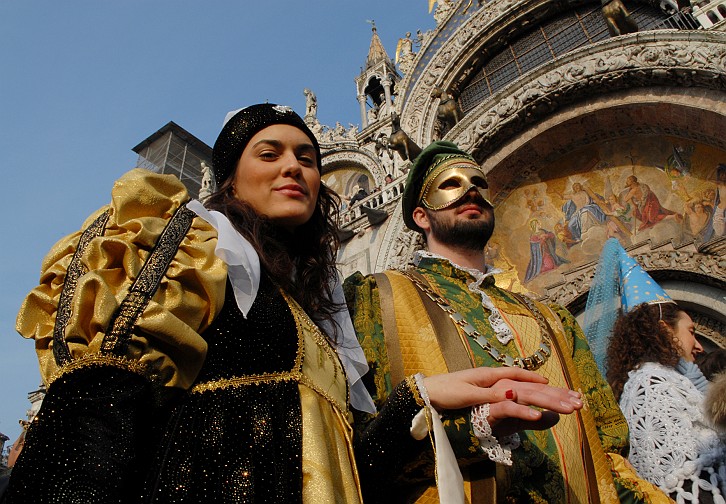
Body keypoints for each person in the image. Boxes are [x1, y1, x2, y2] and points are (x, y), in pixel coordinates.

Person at [4, 104, 578, 504]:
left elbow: (342, 473)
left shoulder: (315, 317)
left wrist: (420, 400)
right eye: (269, 153)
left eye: (307, 158)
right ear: (230, 178)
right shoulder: (184, 250)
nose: (292, 168)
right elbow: (91, 413)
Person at [345, 141, 668, 503]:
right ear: (421, 216)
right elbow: (362, 449)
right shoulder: (378, 299)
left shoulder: (553, 319)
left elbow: (606, 449)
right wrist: (473, 430)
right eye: (451, 184)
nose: (471, 191)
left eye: (478, 184)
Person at [589, 239, 726, 503]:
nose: (698, 346)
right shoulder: (650, 382)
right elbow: (685, 483)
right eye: (691, 333)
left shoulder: (668, 379)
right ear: (665, 330)